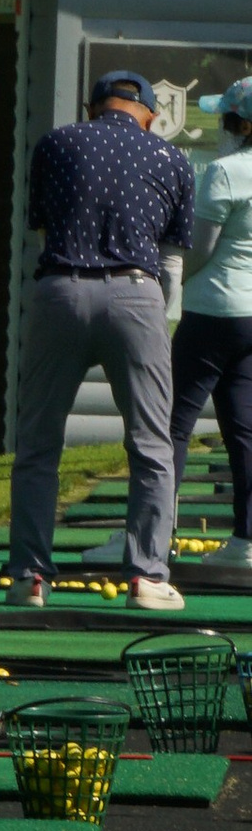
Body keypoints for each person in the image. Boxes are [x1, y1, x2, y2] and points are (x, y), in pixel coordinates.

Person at [6, 72, 193, 612]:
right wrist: (157, 314)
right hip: (137, 293)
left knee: (38, 444)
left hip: (60, 290)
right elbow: (171, 261)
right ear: (151, 116)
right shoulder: (172, 158)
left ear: (92, 108)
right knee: (152, 445)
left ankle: (30, 577)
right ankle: (147, 576)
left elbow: (43, 229)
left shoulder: (56, 143)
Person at [170, 77, 252, 569]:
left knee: (172, 424)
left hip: (211, 313)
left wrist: (170, 283)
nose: (220, 125)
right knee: (245, 430)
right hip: (251, 318)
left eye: (226, 117)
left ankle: (150, 535)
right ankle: (247, 541)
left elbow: (199, 250)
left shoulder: (224, 171)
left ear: (243, 125)